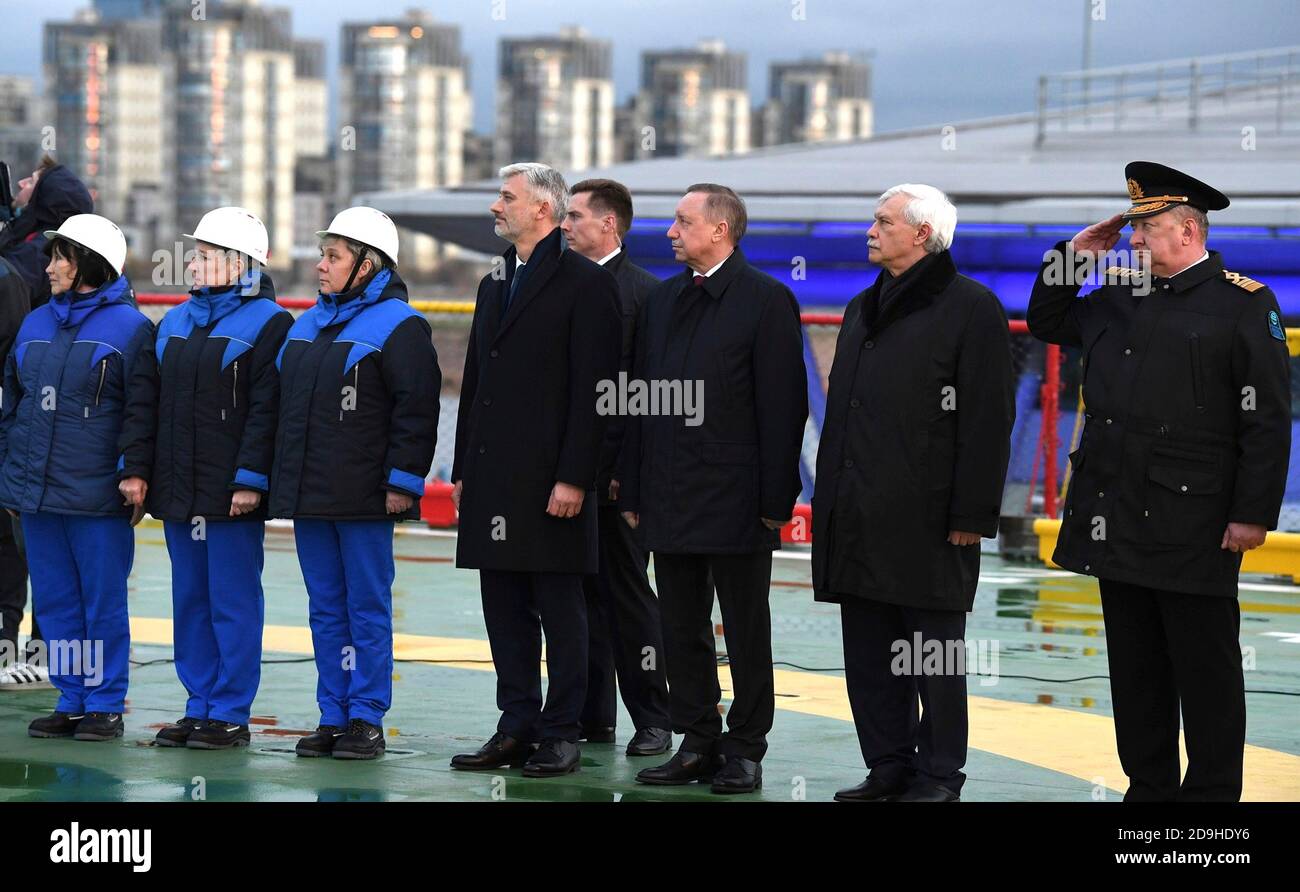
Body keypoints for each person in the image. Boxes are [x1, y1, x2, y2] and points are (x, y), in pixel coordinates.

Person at [1027, 161, 1291, 802]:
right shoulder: (1121, 293)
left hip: (1195, 521)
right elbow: (1047, 320)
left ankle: (1209, 800)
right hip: (1114, 512)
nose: (1135, 242)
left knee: (1206, 672)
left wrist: (1252, 512)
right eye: (1134, 231)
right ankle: (1147, 790)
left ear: (1188, 231)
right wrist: (1075, 255)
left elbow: (1267, 418)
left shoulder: (1245, 303)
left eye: (1146, 231)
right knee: (1136, 670)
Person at [811, 184, 1015, 802]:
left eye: (882, 221)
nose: (870, 230)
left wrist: (970, 514)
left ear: (922, 233)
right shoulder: (859, 308)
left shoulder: (971, 307)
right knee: (870, 655)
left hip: (930, 520)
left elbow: (988, 418)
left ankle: (937, 775)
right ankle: (888, 766)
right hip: (858, 515)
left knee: (933, 658)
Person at [621, 184, 808, 794]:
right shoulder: (663, 300)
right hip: (669, 493)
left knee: (746, 627)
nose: (671, 231)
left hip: (738, 499)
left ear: (720, 230)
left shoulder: (766, 301)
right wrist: (632, 488)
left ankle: (746, 748)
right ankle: (697, 740)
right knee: (679, 626)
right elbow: (639, 397)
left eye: (683, 221)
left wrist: (775, 502)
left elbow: (784, 408)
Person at [450, 163, 621, 778]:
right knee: (503, 606)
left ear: (542, 210)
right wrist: (463, 465)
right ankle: (515, 725)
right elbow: (476, 381)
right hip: (494, 477)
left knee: (561, 607)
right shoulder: (495, 282)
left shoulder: (585, 284)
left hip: (553, 482)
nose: (496, 207)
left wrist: (576, 477)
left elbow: (595, 391)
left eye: (506, 198)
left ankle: (561, 732)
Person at [270, 207, 439, 760]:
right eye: (322, 256)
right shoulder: (305, 327)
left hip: (366, 496)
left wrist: (402, 483)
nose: (320, 267)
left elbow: (417, 411)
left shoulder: (400, 325)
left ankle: (367, 717)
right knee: (325, 608)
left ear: (367, 265)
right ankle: (333, 714)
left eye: (332, 257)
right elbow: (284, 413)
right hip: (313, 495)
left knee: (365, 606)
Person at [0, 213, 157, 741]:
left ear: (88, 264)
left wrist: (134, 474)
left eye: (60, 256)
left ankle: (106, 703)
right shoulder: (36, 322)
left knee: (101, 599)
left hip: (96, 494)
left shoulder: (131, 329)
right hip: (37, 494)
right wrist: (10, 477)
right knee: (55, 600)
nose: (49, 267)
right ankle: (71, 698)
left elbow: (142, 412)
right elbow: (13, 406)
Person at [141, 207, 292, 749]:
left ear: (241, 263)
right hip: (181, 489)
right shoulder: (176, 321)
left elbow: (266, 411)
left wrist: (250, 480)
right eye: (197, 253)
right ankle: (198, 704)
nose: (195, 262)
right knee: (190, 600)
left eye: (206, 255)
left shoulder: (270, 323)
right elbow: (150, 403)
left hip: (231, 493)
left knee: (232, 601)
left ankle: (230, 711)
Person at [560, 178, 672, 757]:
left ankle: (654, 718)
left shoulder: (647, 296)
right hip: (566, 478)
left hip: (618, 479)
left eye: (576, 216)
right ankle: (591, 715)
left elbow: (648, 396)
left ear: (611, 225)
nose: (565, 225)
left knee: (629, 597)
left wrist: (625, 471)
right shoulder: (560, 286)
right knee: (574, 598)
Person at [0, 157, 94, 308]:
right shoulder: (67, 244)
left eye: (31, 182)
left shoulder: (37, 250)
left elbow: (6, 293)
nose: (21, 183)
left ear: (43, 199)